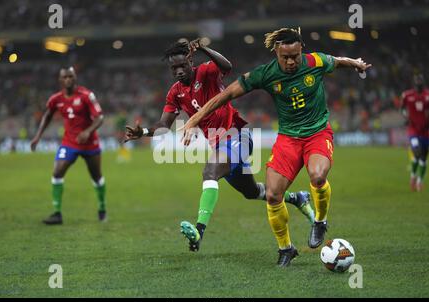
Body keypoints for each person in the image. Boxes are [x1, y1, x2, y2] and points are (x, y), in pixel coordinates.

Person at [179, 28, 372, 266]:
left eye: (295, 56)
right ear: (277, 53)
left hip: (317, 133)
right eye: (285, 57)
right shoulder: (265, 74)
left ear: (301, 50)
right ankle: (286, 249)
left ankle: (320, 221)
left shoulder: (315, 61)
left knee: (318, 175)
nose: (291, 61)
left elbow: (337, 61)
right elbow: (225, 95)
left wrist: (356, 63)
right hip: (288, 138)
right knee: (271, 194)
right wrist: (192, 120)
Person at [124, 39, 314, 252]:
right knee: (251, 192)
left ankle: (199, 231)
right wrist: (145, 132)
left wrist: (204, 48)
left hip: (237, 135)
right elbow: (163, 126)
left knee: (210, 171)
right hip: (219, 144)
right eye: (173, 68)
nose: (178, 71)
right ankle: (297, 197)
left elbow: (227, 66)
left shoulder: (205, 72)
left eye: (182, 66)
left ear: (190, 61)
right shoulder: (175, 93)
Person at [30, 67, 107, 225]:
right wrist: (38, 136)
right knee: (57, 172)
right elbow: (48, 115)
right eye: (65, 77)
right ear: (60, 80)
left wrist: (88, 131)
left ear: (75, 78)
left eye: (71, 76)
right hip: (69, 143)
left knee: (96, 176)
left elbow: (100, 118)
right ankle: (57, 213)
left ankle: (102, 208)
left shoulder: (86, 96)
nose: (68, 79)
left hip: (90, 143)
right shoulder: (56, 99)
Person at [401, 74, 429, 191]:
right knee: (417, 152)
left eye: (420, 82)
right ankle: (413, 177)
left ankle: (419, 180)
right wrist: (406, 116)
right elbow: (402, 108)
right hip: (413, 130)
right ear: (414, 84)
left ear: (423, 83)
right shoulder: (407, 95)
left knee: (423, 158)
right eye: (417, 82)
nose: (419, 84)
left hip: (425, 132)